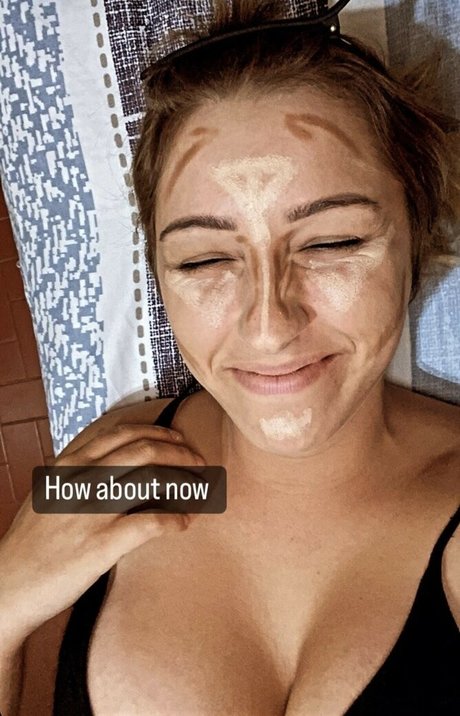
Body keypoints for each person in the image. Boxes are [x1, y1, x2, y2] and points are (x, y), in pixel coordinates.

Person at [1, 0, 459, 713]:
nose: (269, 327)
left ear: (417, 233)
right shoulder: (112, 456)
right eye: (205, 259)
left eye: (331, 242)